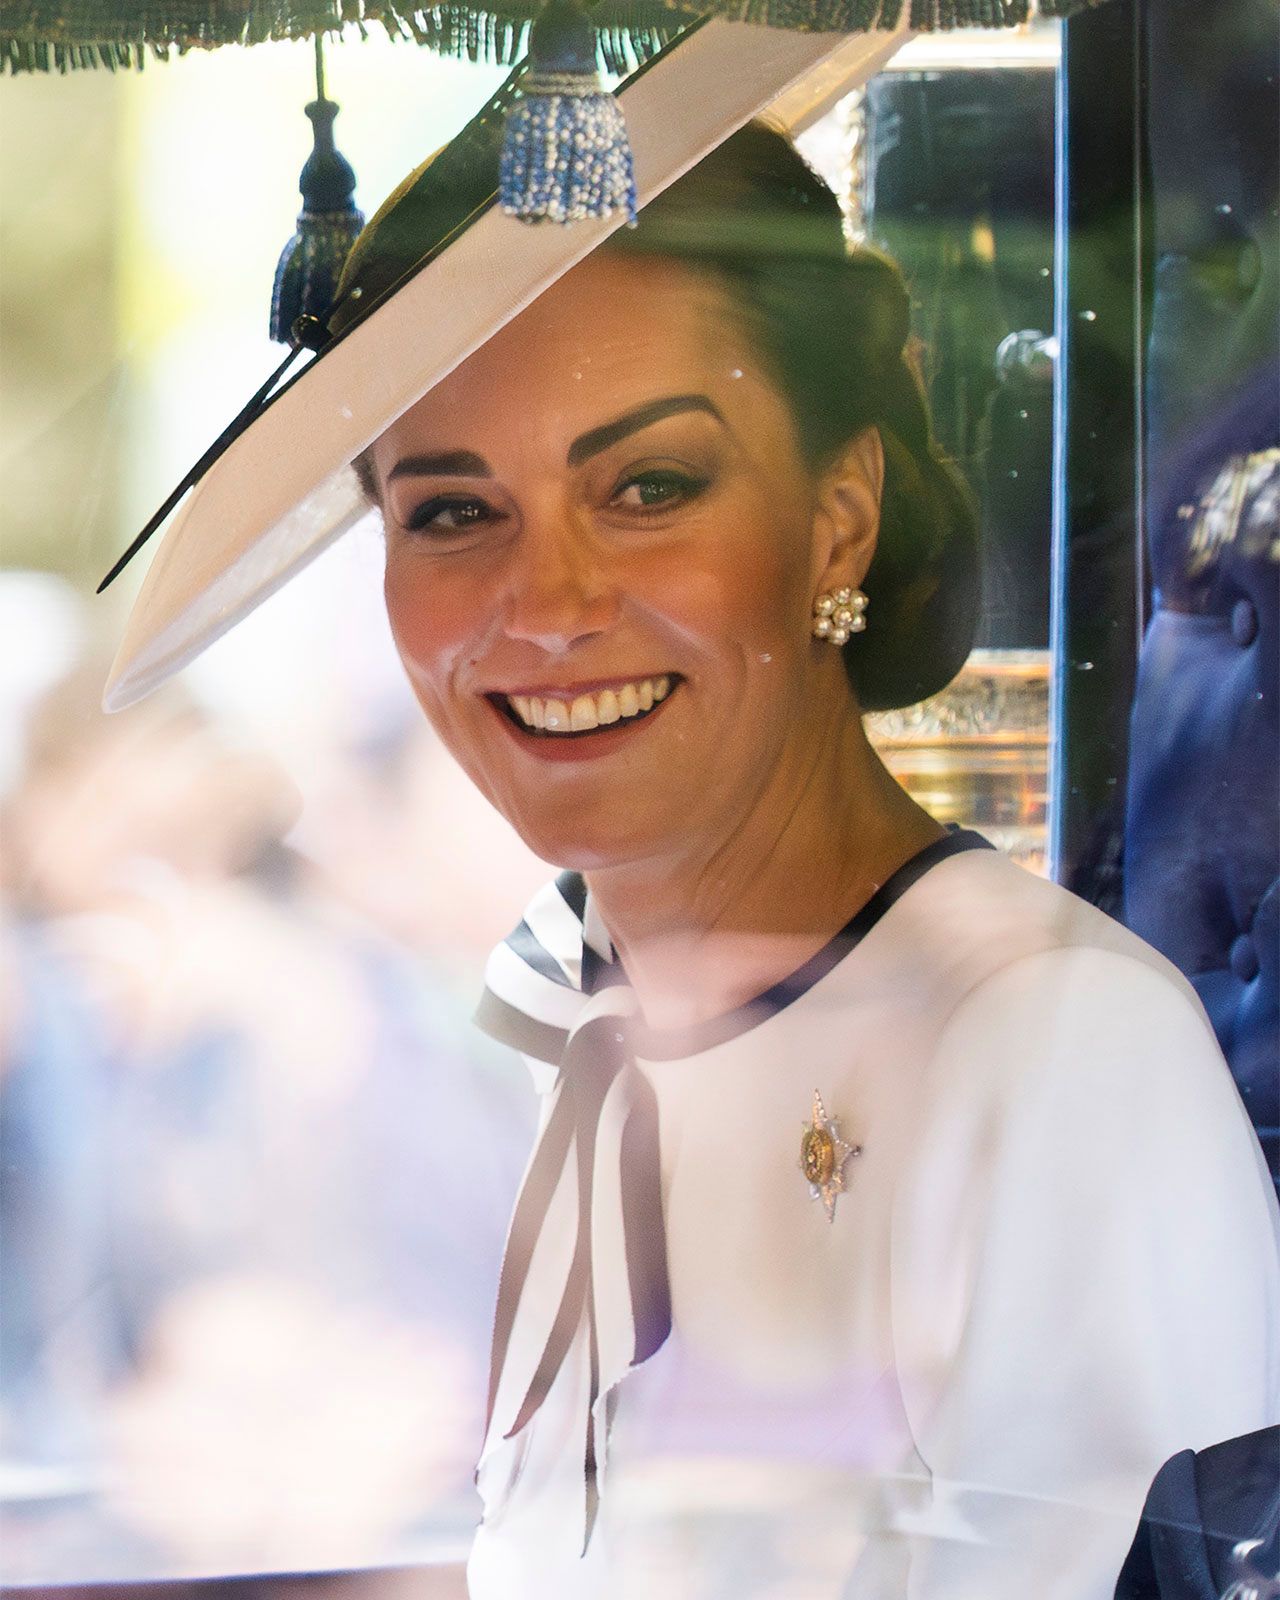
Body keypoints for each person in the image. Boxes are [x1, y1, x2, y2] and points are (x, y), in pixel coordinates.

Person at [105, 87, 1280, 1600]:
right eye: (452, 510)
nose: (548, 606)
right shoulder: (590, 1027)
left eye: (649, 487)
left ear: (839, 517)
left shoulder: (1049, 1047)